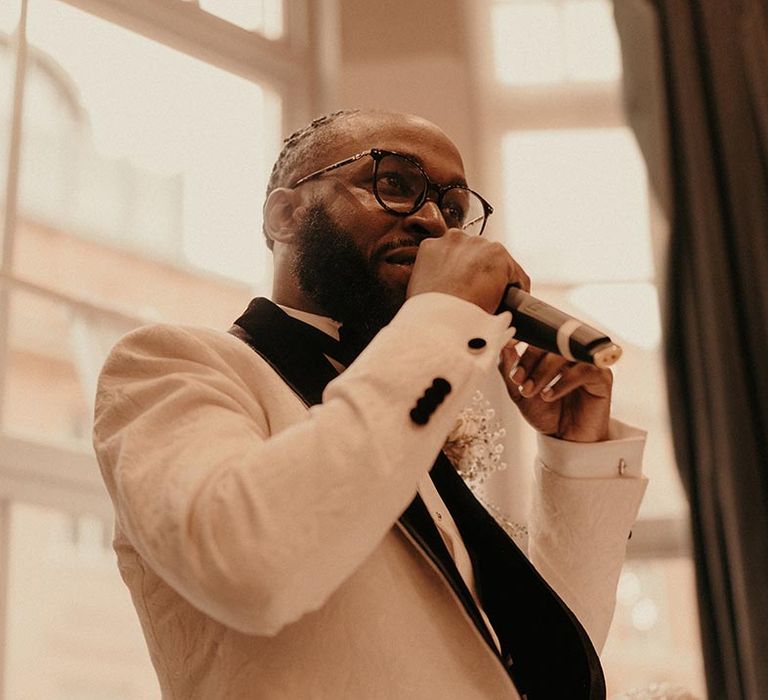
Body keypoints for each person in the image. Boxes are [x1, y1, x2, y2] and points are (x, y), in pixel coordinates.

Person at [93, 109, 648, 699]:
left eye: (455, 209)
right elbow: (248, 565)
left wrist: (576, 457)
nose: (436, 222)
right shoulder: (169, 364)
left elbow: (536, 664)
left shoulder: (400, 418)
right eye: (395, 184)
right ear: (285, 215)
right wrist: (442, 322)